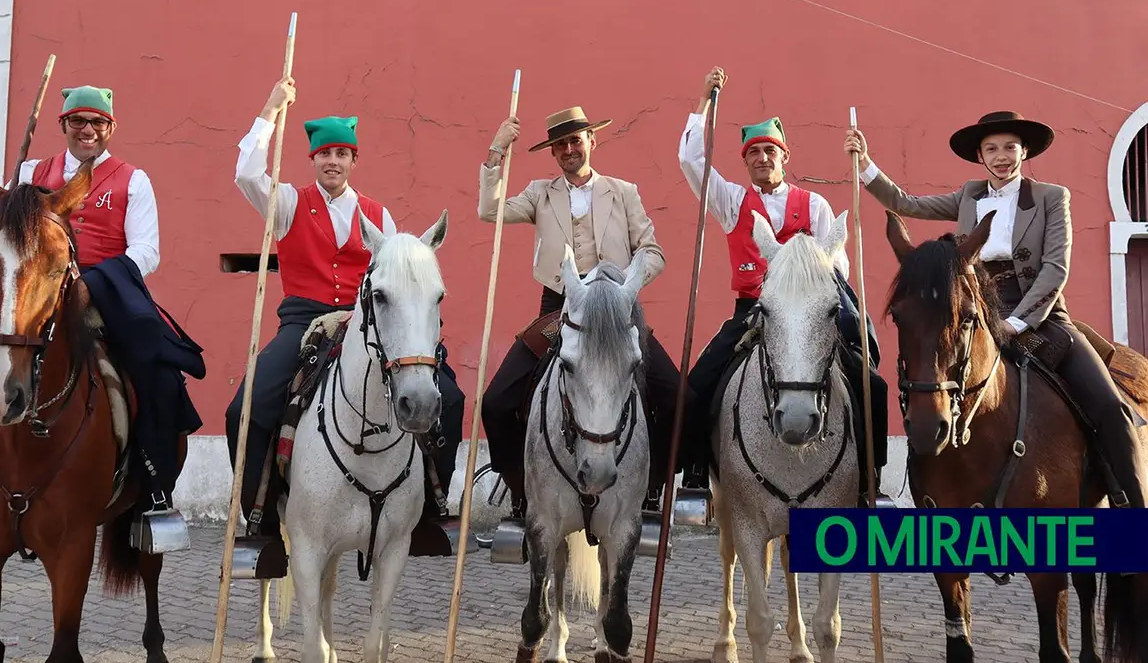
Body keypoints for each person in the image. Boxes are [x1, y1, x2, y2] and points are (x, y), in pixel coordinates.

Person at [846, 110, 1148, 510]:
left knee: (1112, 408)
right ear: (980, 156)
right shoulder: (969, 195)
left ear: (1024, 152)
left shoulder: (1052, 198)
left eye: (1009, 147)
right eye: (991, 149)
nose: (1001, 156)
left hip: (1040, 316)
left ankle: (1135, 515)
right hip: (972, 312)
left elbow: (1055, 268)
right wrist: (865, 164)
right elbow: (906, 203)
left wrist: (1017, 322)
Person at [0, 86, 201, 507]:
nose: (88, 130)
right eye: (78, 121)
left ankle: (153, 487)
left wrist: (94, 283)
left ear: (111, 127)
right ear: (63, 126)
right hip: (33, 290)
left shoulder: (132, 179)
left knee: (158, 375)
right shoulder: (33, 172)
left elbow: (146, 250)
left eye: (97, 122)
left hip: (103, 292)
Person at [228, 76, 466, 555]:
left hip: (369, 324)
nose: (332, 161)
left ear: (354, 160)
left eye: (341, 154)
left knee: (451, 398)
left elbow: (398, 284)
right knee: (244, 409)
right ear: (313, 159)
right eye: (324, 154)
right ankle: (262, 518)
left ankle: (433, 504)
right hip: (304, 323)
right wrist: (271, 109)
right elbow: (247, 174)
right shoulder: (290, 204)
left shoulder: (380, 217)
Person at [678, 67, 891, 507]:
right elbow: (691, 162)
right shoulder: (732, 201)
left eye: (769, 151)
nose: (761, 159)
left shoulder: (814, 205)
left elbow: (838, 265)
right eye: (753, 152)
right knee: (698, 381)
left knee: (871, 383)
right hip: (753, 309)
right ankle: (697, 475)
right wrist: (703, 102)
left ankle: (870, 480)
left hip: (808, 312)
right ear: (745, 161)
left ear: (785, 155)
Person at [477, 105, 693, 522]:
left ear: (592, 141)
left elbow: (653, 251)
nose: (569, 149)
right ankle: (523, 494)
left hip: (616, 308)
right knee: (497, 402)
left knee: (679, 397)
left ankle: (651, 488)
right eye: (561, 144)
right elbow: (491, 211)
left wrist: (627, 284)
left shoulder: (623, 191)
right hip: (559, 309)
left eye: (576, 140)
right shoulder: (541, 193)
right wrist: (496, 153)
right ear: (554, 153)